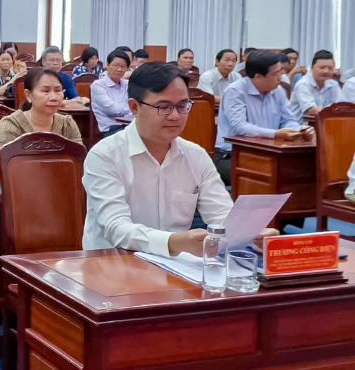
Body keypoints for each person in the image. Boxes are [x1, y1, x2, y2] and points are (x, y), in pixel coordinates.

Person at [82, 62, 278, 256]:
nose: (175, 116)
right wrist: (172, 242)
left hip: (177, 267)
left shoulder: (196, 155)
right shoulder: (105, 156)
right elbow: (116, 228)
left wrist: (249, 234)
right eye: (164, 106)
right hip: (112, 266)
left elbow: (222, 215)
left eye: (183, 105)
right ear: (134, 107)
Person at [213, 50, 309, 185]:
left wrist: (298, 130)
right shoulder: (235, 91)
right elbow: (240, 127)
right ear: (258, 77)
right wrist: (276, 134)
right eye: (275, 74)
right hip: (233, 156)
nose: (280, 78)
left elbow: (289, 120)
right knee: (268, 178)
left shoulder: (278, 91)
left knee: (302, 172)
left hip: (270, 153)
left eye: (281, 73)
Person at [0, 68, 81, 147]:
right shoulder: (12, 124)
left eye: (58, 90)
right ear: (29, 95)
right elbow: (10, 161)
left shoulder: (67, 124)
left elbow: (78, 160)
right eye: (46, 91)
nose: (54, 98)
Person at [90, 50, 133, 135]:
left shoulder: (128, 84)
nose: (119, 69)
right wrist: (131, 109)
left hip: (131, 126)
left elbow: (139, 105)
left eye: (123, 66)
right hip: (112, 130)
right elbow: (113, 109)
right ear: (107, 65)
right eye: (116, 65)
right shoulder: (98, 85)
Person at [290, 50, 343, 117]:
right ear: (312, 68)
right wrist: (333, 110)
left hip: (326, 123)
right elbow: (312, 110)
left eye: (330, 68)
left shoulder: (333, 84)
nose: (326, 71)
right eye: (322, 67)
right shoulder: (303, 84)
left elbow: (340, 106)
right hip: (302, 125)